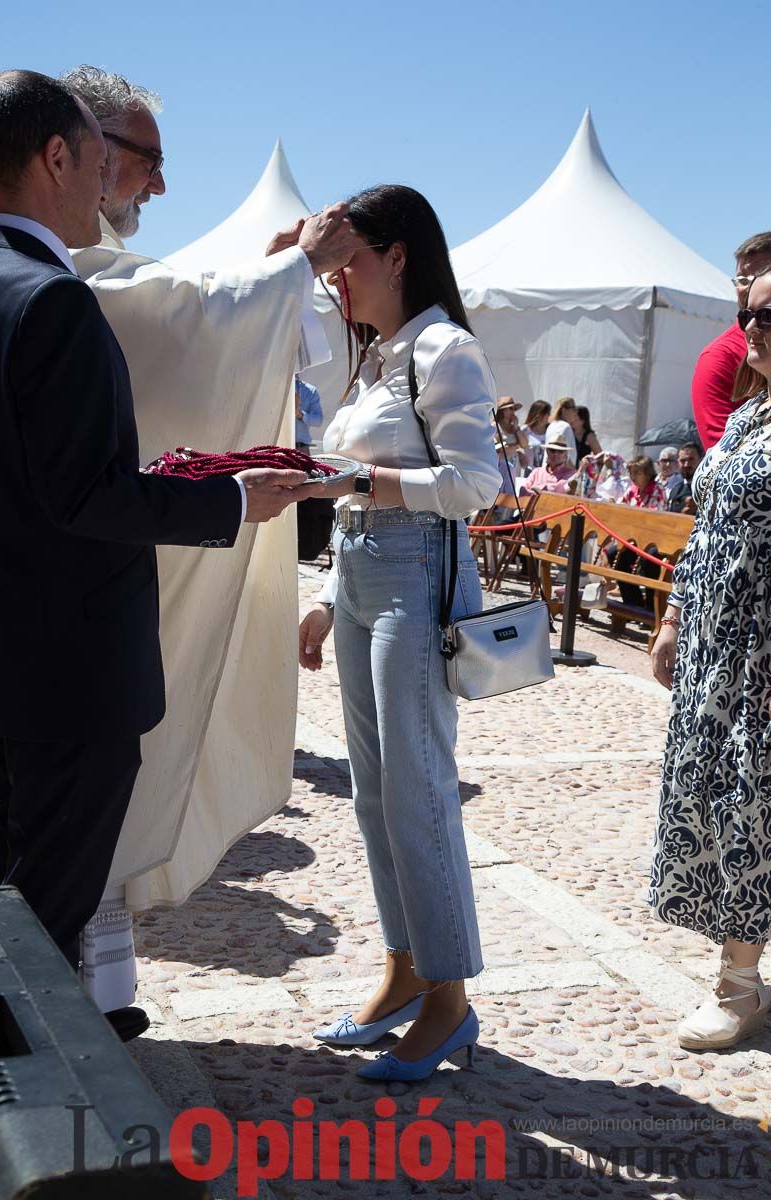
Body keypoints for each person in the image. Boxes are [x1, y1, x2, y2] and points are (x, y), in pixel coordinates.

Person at [0, 72, 320, 1014]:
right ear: (56, 158)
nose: (111, 185)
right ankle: (25, 1103)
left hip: (2, 650)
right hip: (73, 664)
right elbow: (87, 498)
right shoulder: (52, 301)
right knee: (44, 912)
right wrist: (227, 501)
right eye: (102, 159)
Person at [298, 184, 501, 1083]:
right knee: (374, 795)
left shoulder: (444, 349)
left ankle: (449, 997)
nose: (337, 277)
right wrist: (326, 587)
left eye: (349, 257)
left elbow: (477, 485)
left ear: (398, 255)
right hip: (364, 576)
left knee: (416, 788)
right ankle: (405, 971)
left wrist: (370, 484)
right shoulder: (379, 357)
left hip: (414, 578)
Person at [649, 269, 771, 1051]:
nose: (749, 326)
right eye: (745, 313)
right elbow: (707, 525)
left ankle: (738, 983)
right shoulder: (750, 414)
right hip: (714, 652)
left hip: (760, 656)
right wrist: (670, 616)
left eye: (767, 314)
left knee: (751, 812)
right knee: (717, 802)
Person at [692, 232, 771, 449]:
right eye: (742, 279)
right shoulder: (719, 357)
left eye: (760, 275)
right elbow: (723, 463)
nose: (747, 287)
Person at [494, 396, 528, 479]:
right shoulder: (495, 426)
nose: (513, 411)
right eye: (510, 408)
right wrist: (516, 447)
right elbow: (496, 448)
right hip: (500, 468)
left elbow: (525, 444)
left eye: (514, 409)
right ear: (502, 411)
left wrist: (516, 428)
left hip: (514, 467)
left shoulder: (514, 427)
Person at [666, 442, 702, 514]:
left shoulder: (709, 489)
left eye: (691, 459)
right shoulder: (676, 490)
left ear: (701, 460)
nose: (686, 464)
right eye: (683, 461)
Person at [295, 375, 323, 451]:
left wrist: (301, 415)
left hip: (301, 448)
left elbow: (318, 420)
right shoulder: (271, 386)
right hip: (277, 448)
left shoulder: (310, 390)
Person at [521, 399, 551, 468]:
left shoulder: (550, 430)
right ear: (540, 414)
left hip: (546, 471)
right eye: (548, 414)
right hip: (529, 471)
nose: (549, 416)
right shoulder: (525, 430)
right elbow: (519, 448)